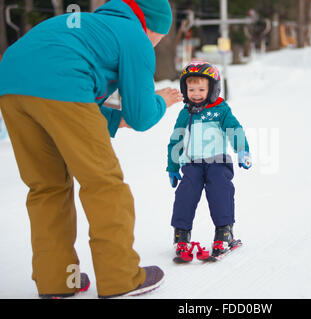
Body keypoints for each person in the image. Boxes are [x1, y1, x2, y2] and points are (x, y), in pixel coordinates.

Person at [0, 0, 182, 298]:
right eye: (158, 39)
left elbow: (70, 95)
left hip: (9, 84)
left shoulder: (89, 26)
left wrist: (113, 119)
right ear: (152, 26)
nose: (154, 44)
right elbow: (142, 116)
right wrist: (162, 99)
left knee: (47, 187)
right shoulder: (134, 35)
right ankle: (121, 279)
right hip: (60, 86)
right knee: (104, 184)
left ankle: (58, 281)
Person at [166, 61, 252, 261]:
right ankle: (181, 235)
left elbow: (234, 130)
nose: (196, 93)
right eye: (191, 89)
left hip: (217, 162)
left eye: (202, 89)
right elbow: (176, 140)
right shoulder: (185, 113)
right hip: (192, 164)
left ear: (213, 89)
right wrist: (172, 167)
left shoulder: (221, 110)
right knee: (185, 195)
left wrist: (242, 151)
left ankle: (224, 232)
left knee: (220, 191)